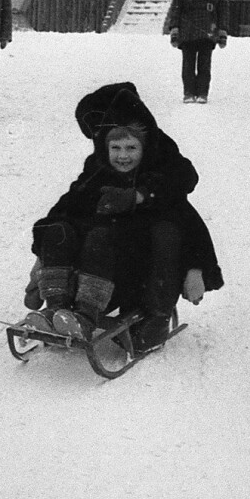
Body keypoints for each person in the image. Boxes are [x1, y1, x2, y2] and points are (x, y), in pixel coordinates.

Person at [23, 83, 223, 351]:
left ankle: (139, 317)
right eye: (115, 147)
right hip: (97, 271)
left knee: (124, 234)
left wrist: (196, 269)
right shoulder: (99, 171)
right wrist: (43, 255)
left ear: (144, 147)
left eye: (131, 148)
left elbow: (189, 222)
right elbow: (69, 206)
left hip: (138, 275)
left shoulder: (162, 178)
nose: (123, 156)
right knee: (62, 227)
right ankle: (56, 309)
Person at [164, 0, 230, 104]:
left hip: (209, 27)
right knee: (188, 64)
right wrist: (174, 28)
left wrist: (222, 30)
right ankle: (188, 92)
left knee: (204, 64)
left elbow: (223, 7)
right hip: (188, 27)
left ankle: (202, 93)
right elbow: (176, 6)